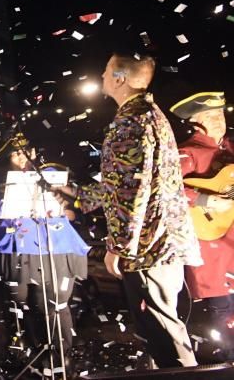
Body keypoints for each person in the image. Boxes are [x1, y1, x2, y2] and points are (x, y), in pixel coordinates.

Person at [74, 53, 201, 368]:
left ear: (119, 78)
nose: (101, 76)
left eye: (105, 70)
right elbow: (126, 181)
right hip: (159, 241)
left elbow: (134, 192)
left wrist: (118, 247)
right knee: (160, 329)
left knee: (163, 333)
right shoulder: (148, 114)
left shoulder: (130, 120)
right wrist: (79, 197)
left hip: (148, 247)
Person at [0, 135, 88, 374]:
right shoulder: (3, 183)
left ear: (32, 153)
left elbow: (75, 206)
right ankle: (39, 353)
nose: (21, 157)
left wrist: (64, 205)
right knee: (28, 304)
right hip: (23, 249)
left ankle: (61, 358)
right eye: (15, 154)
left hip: (56, 246)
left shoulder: (50, 174)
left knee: (55, 304)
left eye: (25, 152)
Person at [170, 91, 234, 359]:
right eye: (210, 116)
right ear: (196, 122)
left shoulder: (230, 149)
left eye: (220, 114)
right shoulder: (188, 152)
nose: (218, 121)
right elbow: (165, 188)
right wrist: (204, 198)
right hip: (213, 249)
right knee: (222, 315)